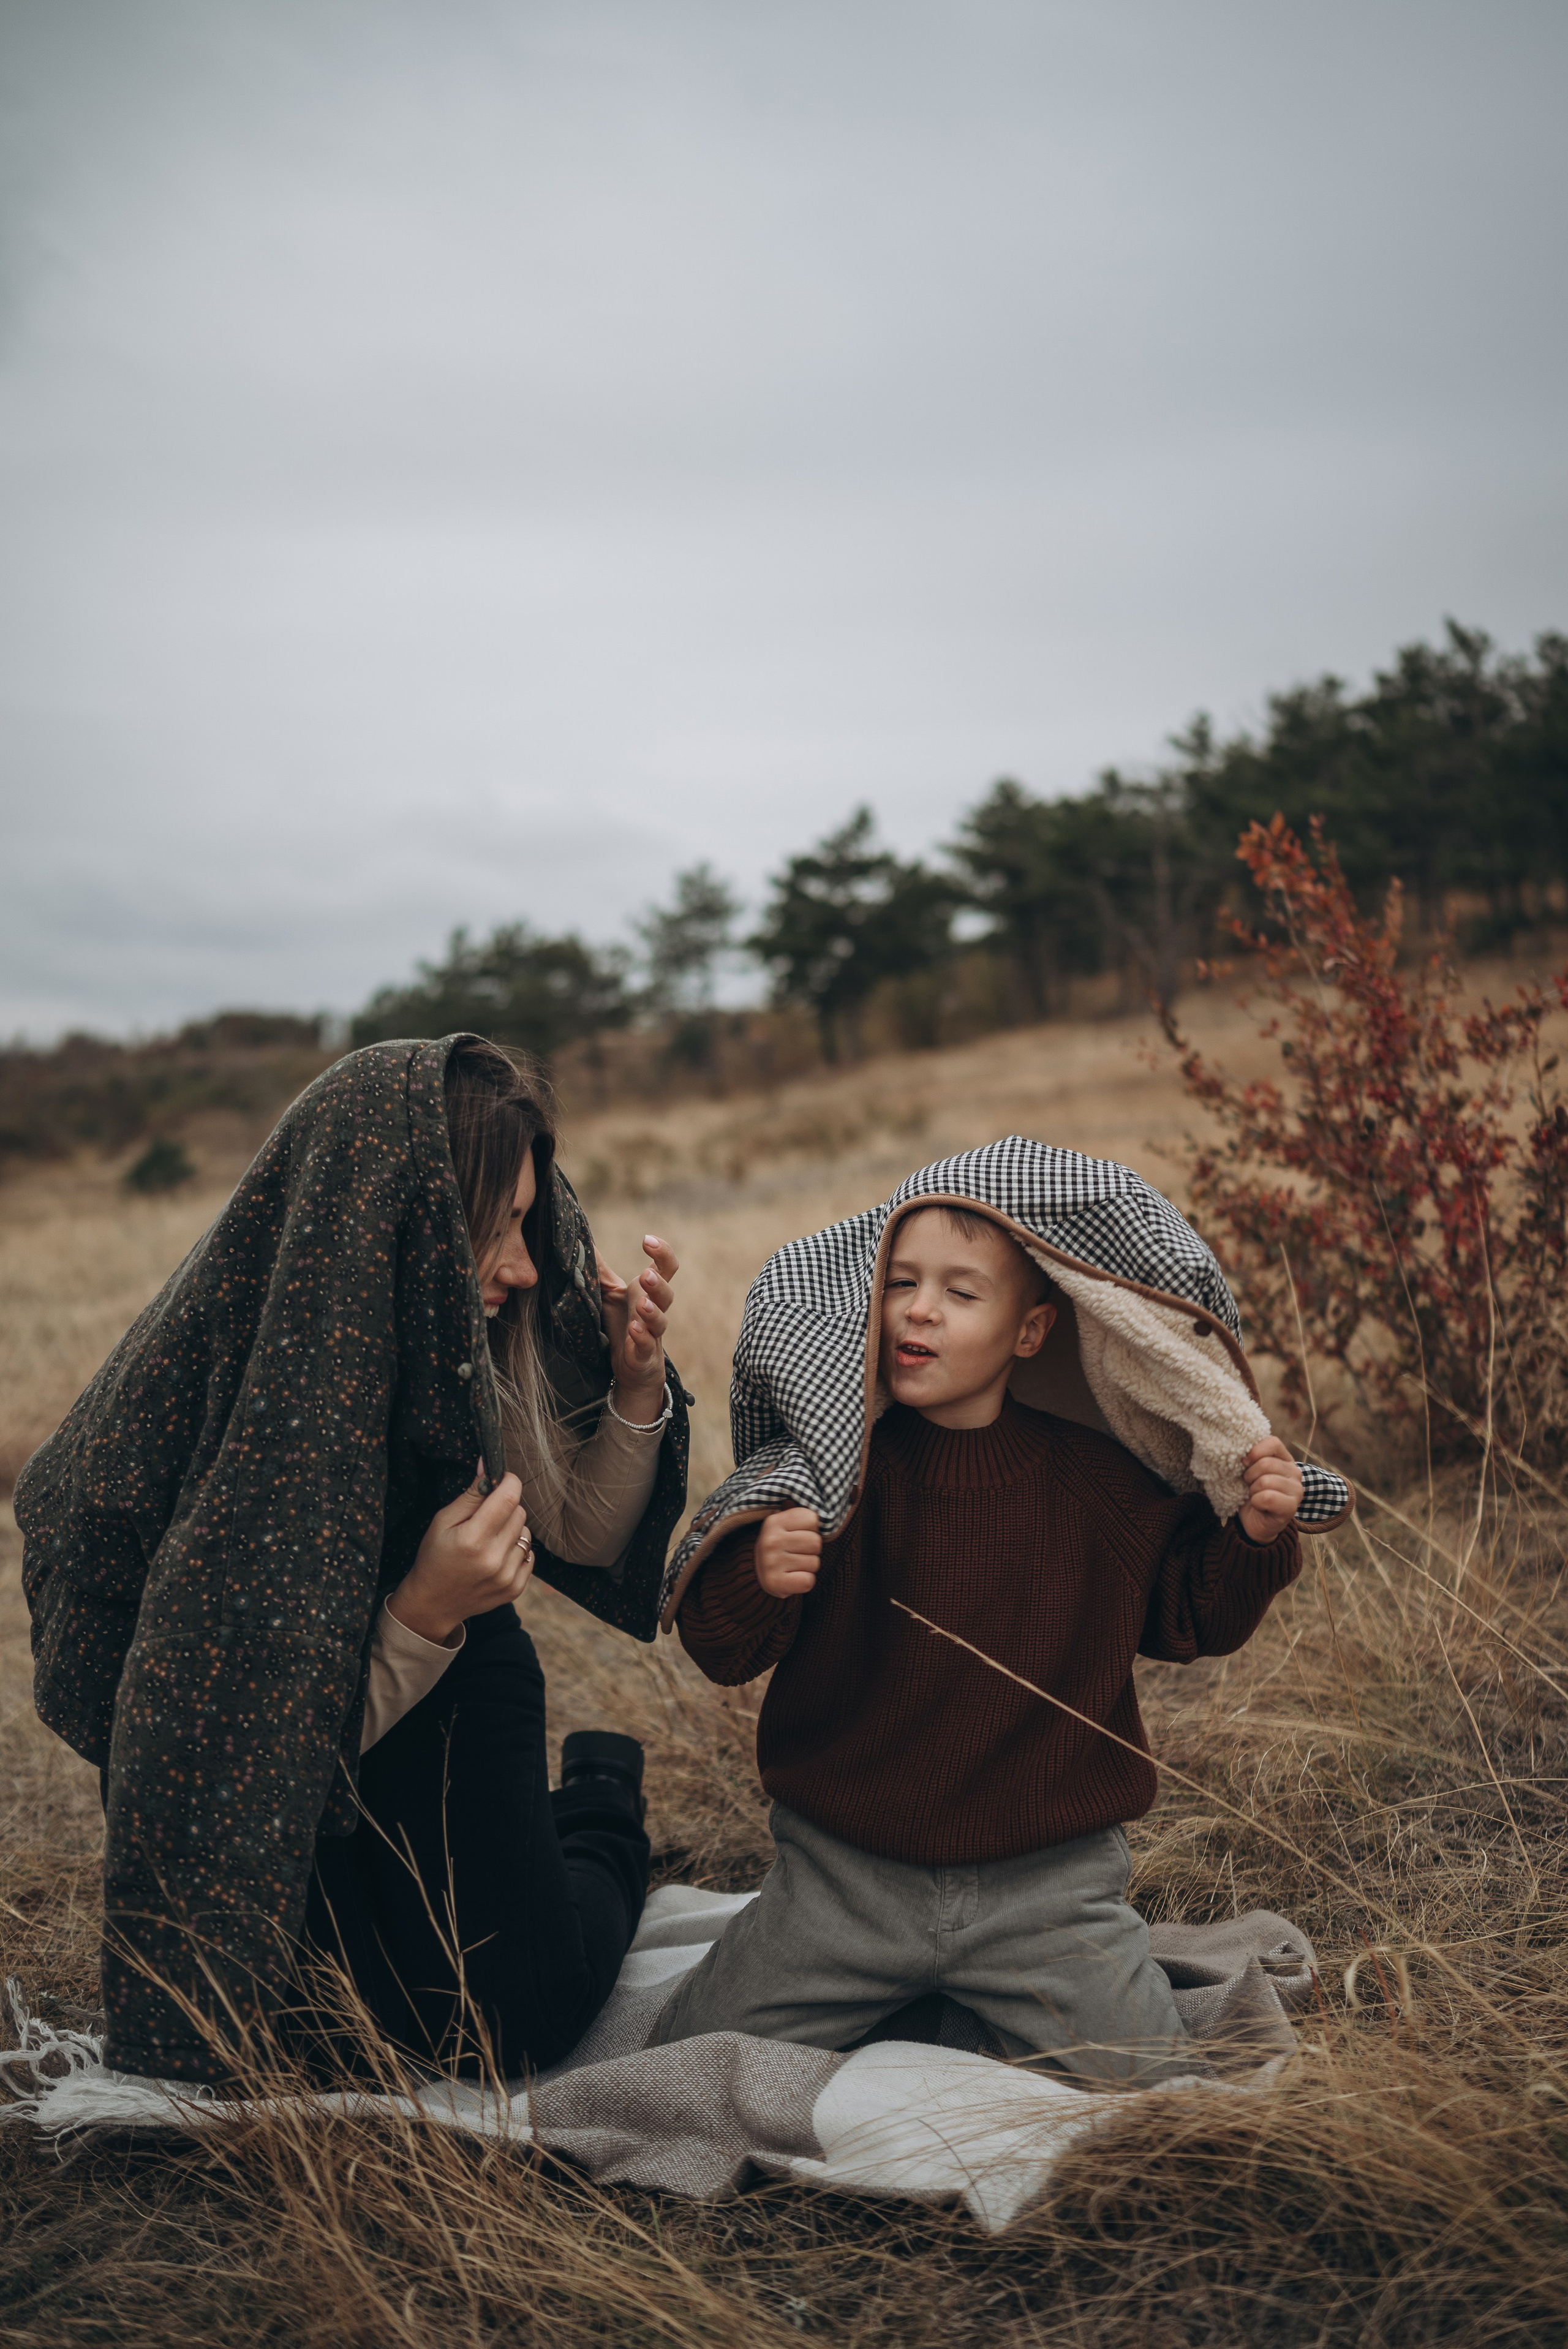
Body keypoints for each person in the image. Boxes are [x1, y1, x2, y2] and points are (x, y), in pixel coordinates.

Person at [18, 1034, 688, 2084]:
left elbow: (587, 1537)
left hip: (464, 1697)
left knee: (516, 2021)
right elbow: (207, 1755)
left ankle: (600, 1802)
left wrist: (635, 1388)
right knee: (314, 2032)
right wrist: (415, 1610)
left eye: (527, 1219)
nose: (523, 1263)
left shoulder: (474, 1332)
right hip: (315, 1747)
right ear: (403, 1223)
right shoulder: (240, 1400)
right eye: (496, 1226)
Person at [651, 1154, 1331, 2086]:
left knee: (1160, 2088)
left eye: (960, 1293)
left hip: (1047, 1887)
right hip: (846, 1877)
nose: (919, 1310)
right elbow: (724, 1651)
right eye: (900, 1284)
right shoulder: (834, 1480)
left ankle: (960, 2005)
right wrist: (761, 1573)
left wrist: (1254, 1533)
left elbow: (1188, 1617)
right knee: (679, 2064)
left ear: (1031, 1330)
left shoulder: (1095, 1483)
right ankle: (930, 2004)